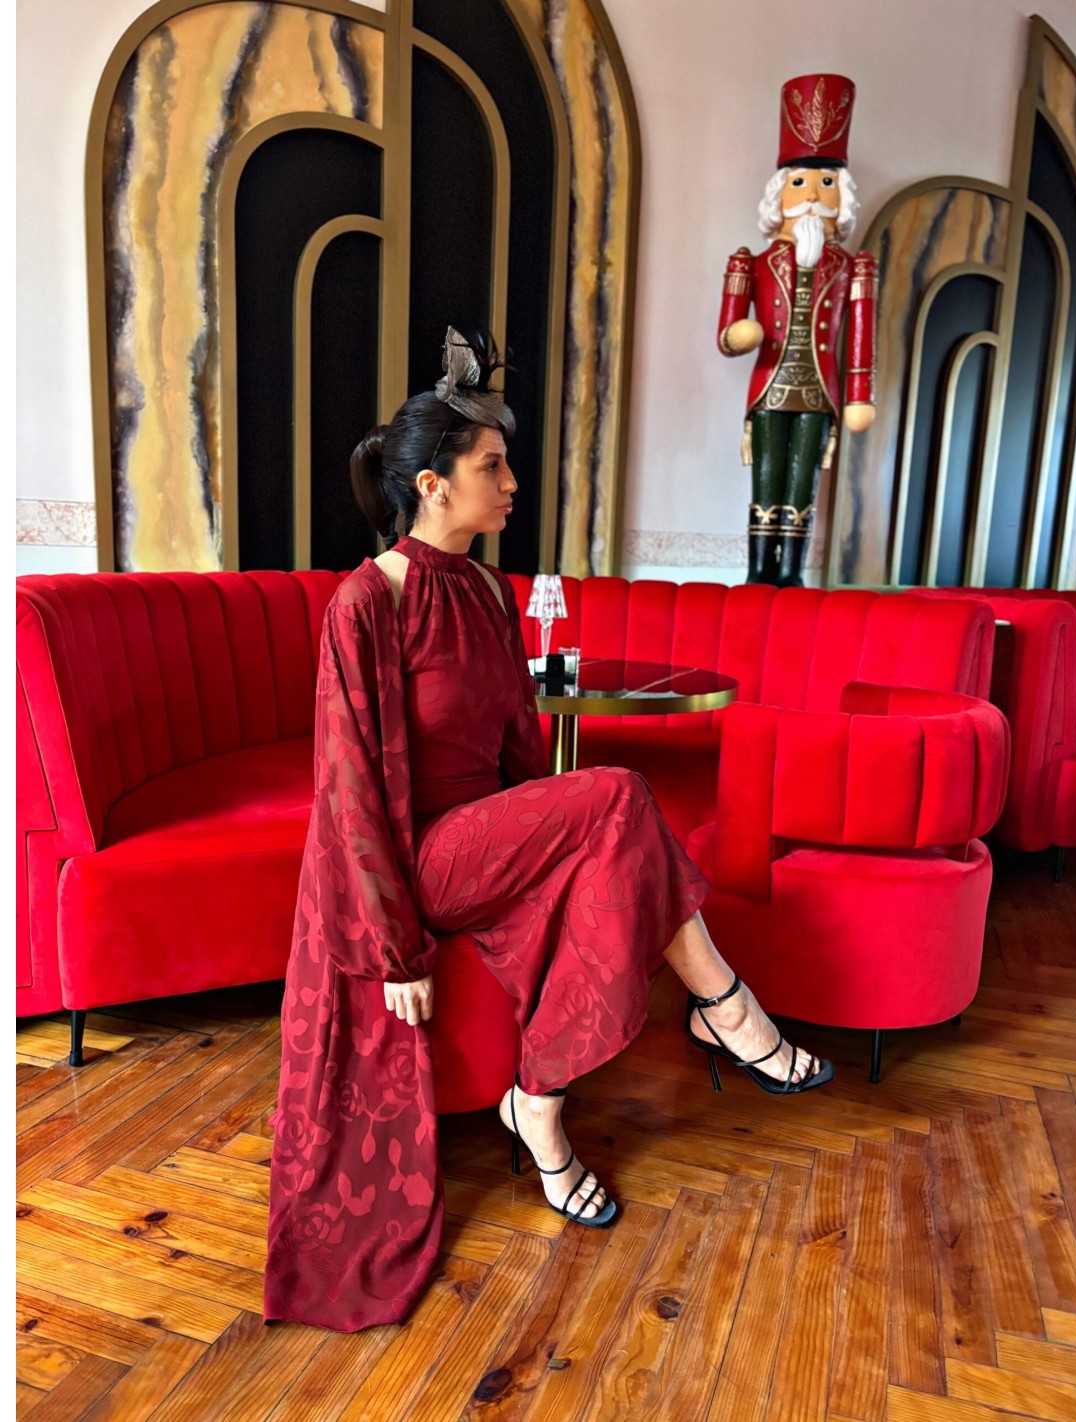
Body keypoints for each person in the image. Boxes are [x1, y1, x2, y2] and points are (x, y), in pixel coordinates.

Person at [263, 328, 832, 1333]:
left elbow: (521, 750)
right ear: (433, 486)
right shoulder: (366, 601)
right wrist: (396, 947)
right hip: (421, 855)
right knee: (617, 794)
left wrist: (558, 854)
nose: (511, 484)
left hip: (487, 836)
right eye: (493, 467)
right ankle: (726, 1009)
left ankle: (541, 1108)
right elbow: (349, 789)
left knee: (610, 832)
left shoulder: (491, 592)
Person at [716, 72, 877, 587]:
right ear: (781, 194)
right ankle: (759, 571)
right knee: (766, 480)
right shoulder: (753, 262)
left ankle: (791, 572)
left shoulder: (853, 267)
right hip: (769, 388)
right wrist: (741, 334)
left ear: (841, 195)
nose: (812, 194)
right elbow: (726, 334)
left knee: (802, 482)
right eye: (801, 183)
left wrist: (860, 394)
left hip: (819, 393)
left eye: (826, 184)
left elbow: (861, 335)